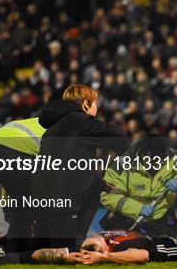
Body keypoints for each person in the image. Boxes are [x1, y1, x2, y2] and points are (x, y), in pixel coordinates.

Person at [30, 85, 124, 252]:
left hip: (42, 197)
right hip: (63, 201)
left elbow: (71, 164)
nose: (97, 108)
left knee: (39, 251)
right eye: (95, 103)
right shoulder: (79, 121)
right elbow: (118, 136)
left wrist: (100, 184)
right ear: (86, 104)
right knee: (66, 252)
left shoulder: (55, 126)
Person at [100, 131, 177, 237]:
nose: (158, 165)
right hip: (128, 218)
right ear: (143, 155)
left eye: (161, 161)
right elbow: (108, 196)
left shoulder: (174, 157)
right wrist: (137, 208)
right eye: (154, 162)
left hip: (161, 217)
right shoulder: (121, 166)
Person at [0, 229, 177, 265]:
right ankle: (2, 256)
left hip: (176, 245)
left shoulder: (130, 245)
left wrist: (104, 259)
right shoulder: (95, 240)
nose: (87, 251)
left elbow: (142, 256)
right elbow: (55, 253)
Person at [0, 117, 45, 252]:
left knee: (23, 200)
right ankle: (18, 250)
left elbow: (12, 187)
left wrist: (7, 207)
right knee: (27, 205)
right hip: (18, 148)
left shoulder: (44, 124)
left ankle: (13, 247)